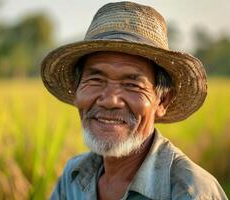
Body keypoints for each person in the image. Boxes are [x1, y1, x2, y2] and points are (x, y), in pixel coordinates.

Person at [41, 1, 228, 199]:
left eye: (132, 84)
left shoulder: (190, 191)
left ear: (162, 101)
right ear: (77, 89)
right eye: (95, 80)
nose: (110, 100)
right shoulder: (74, 177)